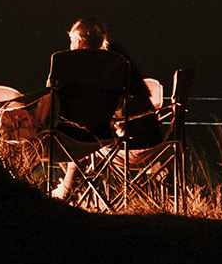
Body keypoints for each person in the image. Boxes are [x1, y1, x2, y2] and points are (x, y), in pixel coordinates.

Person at [38, 17, 155, 201]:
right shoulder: (116, 64)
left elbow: (49, 99)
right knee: (85, 141)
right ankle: (72, 192)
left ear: (78, 40)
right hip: (102, 136)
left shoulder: (64, 62)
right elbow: (123, 103)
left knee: (71, 138)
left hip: (63, 137)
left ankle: (64, 192)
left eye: (71, 41)